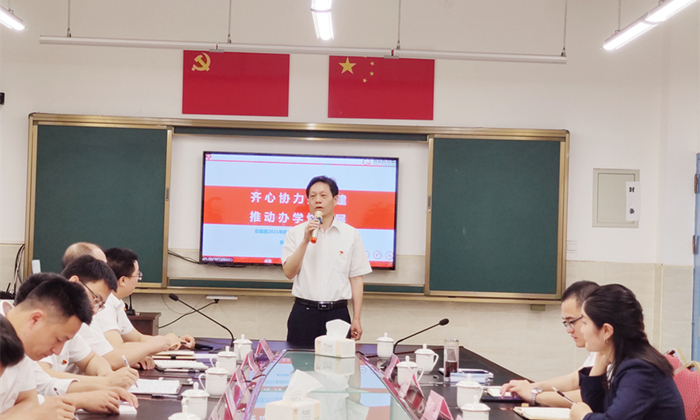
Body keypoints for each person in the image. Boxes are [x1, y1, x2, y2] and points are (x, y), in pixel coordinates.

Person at [6, 274, 138, 415]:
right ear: (35, 319)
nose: (58, 351)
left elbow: (39, 391)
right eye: (58, 340)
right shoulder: (10, 336)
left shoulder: (21, 341)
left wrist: (88, 395)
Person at [15, 257, 139, 388]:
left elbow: (91, 359)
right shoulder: (49, 315)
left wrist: (107, 374)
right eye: (96, 299)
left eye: (101, 305)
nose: (95, 310)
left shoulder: (72, 321)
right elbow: (43, 379)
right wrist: (106, 382)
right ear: (75, 283)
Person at [570, 284, 685, 420]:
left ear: (606, 331)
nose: (581, 330)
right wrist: (598, 366)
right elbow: (600, 409)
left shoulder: (640, 370)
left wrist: (583, 417)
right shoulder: (628, 360)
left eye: (584, 323)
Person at [282, 176, 372, 346]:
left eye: (323, 195)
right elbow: (289, 272)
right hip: (304, 313)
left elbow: (356, 278)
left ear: (335, 199)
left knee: (338, 362)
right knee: (300, 362)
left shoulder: (350, 234)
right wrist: (305, 240)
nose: (318, 200)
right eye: (313, 196)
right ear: (308, 201)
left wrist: (357, 318)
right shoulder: (295, 233)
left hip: (337, 314)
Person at [500, 280, 599, 407]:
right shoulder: (597, 351)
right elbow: (574, 380)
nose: (569, 330)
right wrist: (531, 387)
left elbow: (590, 396)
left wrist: (534, 395)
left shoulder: (614, 353)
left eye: (572, 322)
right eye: (566, 323)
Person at [93, 247, 194, 369]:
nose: (138, 280)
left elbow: (138, 338)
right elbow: (117, 349)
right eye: (137, 275)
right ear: (123, 280)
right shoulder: (104, 305)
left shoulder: (116, 302)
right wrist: (163, 343)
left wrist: (174, 341)